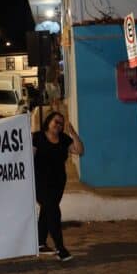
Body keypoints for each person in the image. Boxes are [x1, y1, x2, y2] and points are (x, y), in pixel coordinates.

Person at [32, 112, 84, 262]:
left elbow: (80, 150)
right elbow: (29, 157)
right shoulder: (38, 137)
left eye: (61, 123)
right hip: (40, 182)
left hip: (58, 183)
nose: (58, 125)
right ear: (48, 121)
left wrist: (73, 134)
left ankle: (40, 242)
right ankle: (61, 248)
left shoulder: (64, 139)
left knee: (47, 210)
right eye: (56, 121)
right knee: (53, 212)